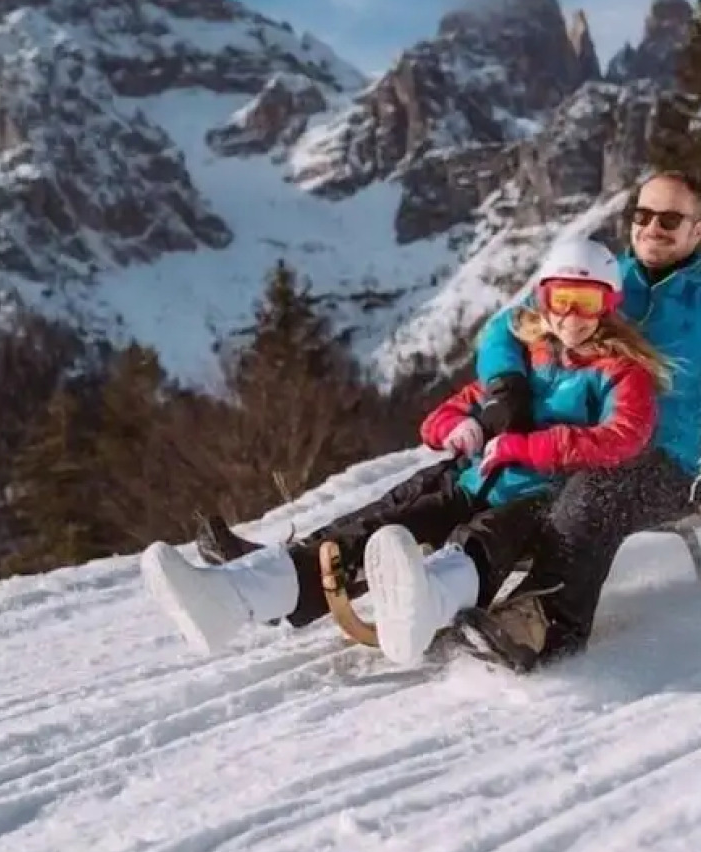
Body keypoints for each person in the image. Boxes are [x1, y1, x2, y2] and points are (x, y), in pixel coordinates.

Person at [137, 238, 670, 666]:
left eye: (589, 302)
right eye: (562, 300)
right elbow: (451, 411)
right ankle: (231, 599)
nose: (573, 317)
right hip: (469, 480)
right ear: (543, 300)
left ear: (610, 306)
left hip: (539, 496)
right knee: (370, 529)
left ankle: (425, 606)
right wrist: (456, 429)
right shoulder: (526, 359)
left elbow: (625, 435)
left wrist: (528, 446)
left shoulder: (620, 371)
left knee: (481, 543)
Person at [463, 167, 701, 669]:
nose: (652, 227)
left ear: (698, 230)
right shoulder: (600, 282)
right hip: (577, 441)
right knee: (484, 484)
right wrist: (506, 390)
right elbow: (503, 330)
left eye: (670, 218)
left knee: (594, 495)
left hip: (661, 463)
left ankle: (541, 625)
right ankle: (451, 588)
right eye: (643, 214)